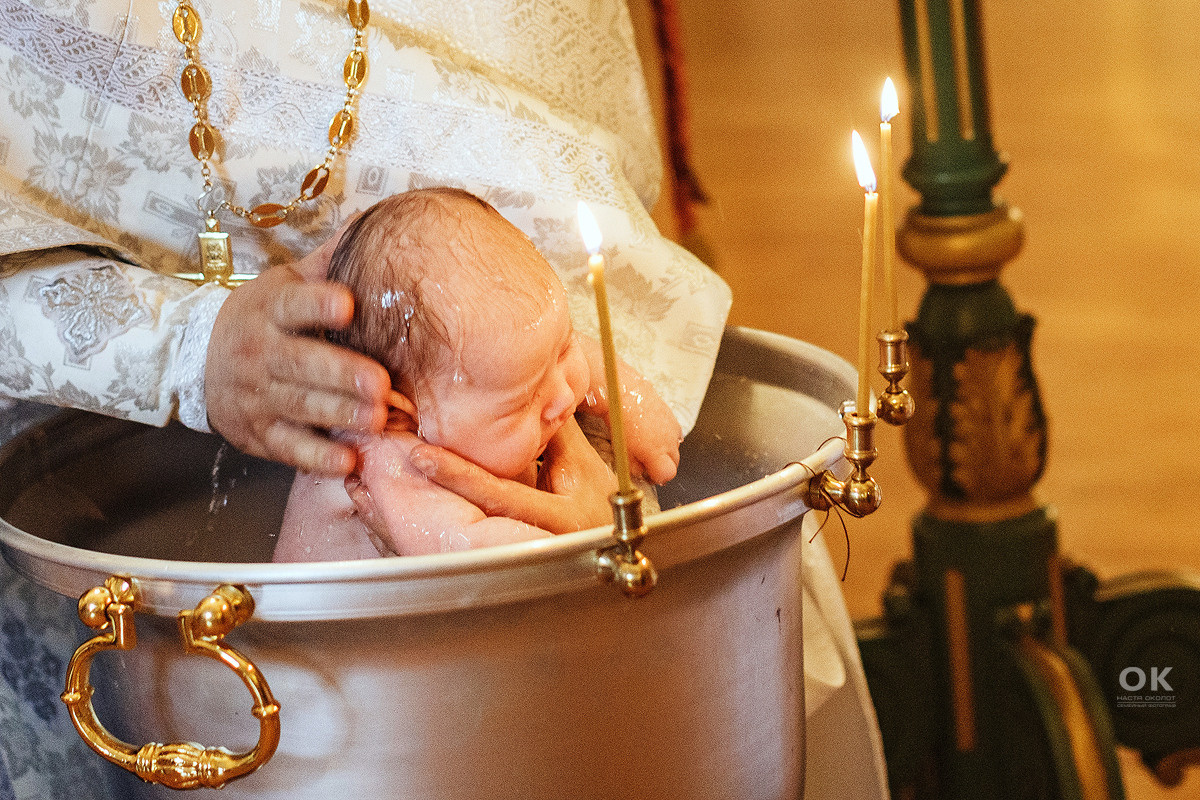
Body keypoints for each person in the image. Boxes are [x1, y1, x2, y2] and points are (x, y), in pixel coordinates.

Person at [274, 187, 674, 561]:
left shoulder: (498, 365)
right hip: (331, 615)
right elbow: (472, 549)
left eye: (563, 351)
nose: (564, 397)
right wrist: (594, 536)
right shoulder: (387, 465)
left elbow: (558, 346)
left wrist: (631, 400)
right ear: (402, 416)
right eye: (522, 401)